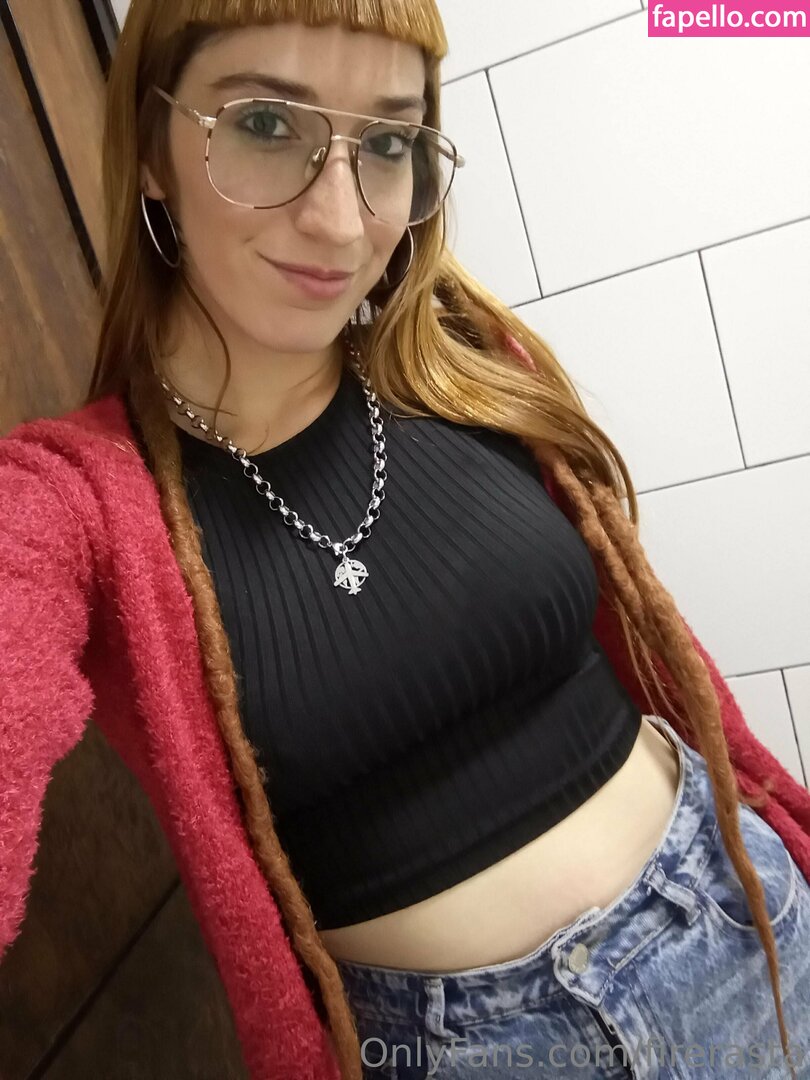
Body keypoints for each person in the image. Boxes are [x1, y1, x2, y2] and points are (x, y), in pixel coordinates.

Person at [1, 1, 809, 1078]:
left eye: (387, 144)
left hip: (750, 921)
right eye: (267, 125)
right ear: (151, 147)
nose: (341, 221)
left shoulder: (469, 362)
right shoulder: (74, 503)